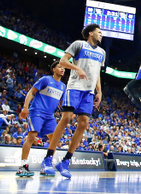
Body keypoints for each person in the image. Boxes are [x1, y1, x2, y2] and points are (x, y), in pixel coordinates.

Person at [41, 24, 105, 179]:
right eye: (99, 32)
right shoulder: (78, 44)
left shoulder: (102, 52)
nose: (101, 35)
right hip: (75, 87)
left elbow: (97, 73)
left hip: (89, 92)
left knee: (84, 124)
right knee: (67, 118)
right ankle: (48, 158)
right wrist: (77, 69)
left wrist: (99, 91)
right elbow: (62, 61)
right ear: (91, 33)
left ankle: (66, 161)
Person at [16, 61, 66, 177]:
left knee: (54, 139)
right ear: (53, 69)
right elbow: (31, 92)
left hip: (50, 116)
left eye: (64, 68)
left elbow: (61, 103)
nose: (62, 69)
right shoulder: (45, 80)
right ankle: (23, 166)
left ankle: (46, 165)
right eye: (59, 67)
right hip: (37, 112)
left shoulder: (63, 86)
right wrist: (25, 107)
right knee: (31, 137)